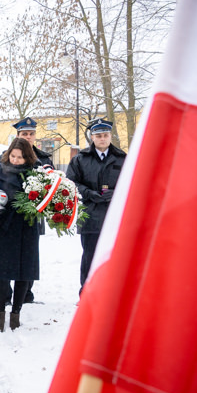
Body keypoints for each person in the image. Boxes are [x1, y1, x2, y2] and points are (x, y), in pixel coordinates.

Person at [0, 137, 40, 332]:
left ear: (27, 157)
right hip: (3, 226)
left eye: (20, 157)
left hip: (26, 226)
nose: (15, 160)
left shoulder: (35, 172)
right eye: (13, 156)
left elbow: (42, 199)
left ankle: (16, 313)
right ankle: (0, 314)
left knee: (23, 272)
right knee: (1, 272)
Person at [67, 118, 126, 295]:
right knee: (90, 256)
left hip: (114, 216)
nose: (102, 139)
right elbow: (70, 183)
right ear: (92, 137)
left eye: (106, 135)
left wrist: (116, 192)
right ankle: (87, 293)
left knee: (114, 257)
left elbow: (133, 182)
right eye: (98, 135)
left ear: (110, 136)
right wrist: (89, 193)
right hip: (90, 215)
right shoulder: (80, 159)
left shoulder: (122, 158)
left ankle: (112, 293)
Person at [3, 118, 52, 304]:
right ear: (18, 136)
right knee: (7, 255)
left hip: (32, 217)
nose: (28, 137)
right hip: (9, 217)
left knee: (29, 255)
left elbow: (51, 187)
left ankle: (26, 294)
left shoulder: (44, 159)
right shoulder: (7, 156)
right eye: (24, 134)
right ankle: (6, 295)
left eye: (31, 134)